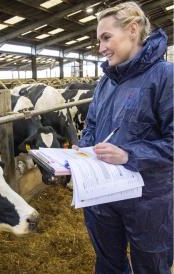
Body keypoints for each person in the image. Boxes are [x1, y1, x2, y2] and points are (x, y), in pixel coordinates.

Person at [74, 2, 173, 273]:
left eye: (106, 37)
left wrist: (129, 155)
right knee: (108, 264)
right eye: (98, 40)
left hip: (148, 200)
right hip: (101, 195)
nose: (101, 47)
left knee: (151, 266)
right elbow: (92, 126)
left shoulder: (166, 77)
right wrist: (81, 151)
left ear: (132, 30)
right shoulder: (105, 82)